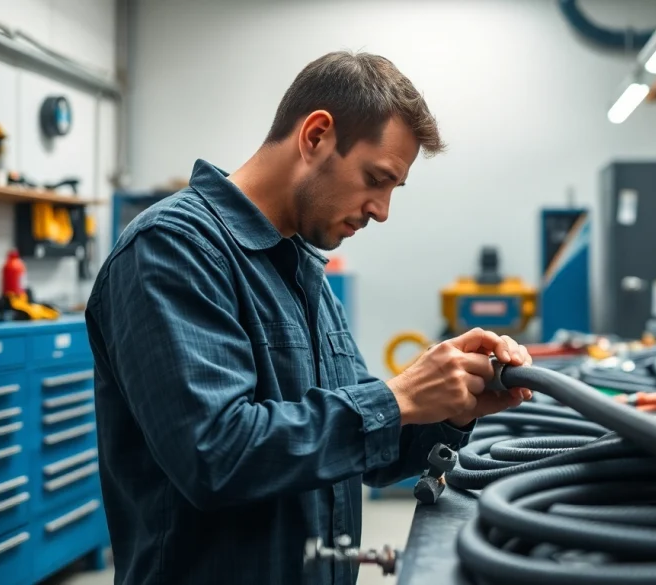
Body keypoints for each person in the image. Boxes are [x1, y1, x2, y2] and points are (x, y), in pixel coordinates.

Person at [85, 51, 533, 585]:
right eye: (376, 178)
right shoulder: (171, 250)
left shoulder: (303, 272)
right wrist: (396, 398)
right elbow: (215, 456)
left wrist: (451, 407)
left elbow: (369, 451)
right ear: (316, 135)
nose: (382, 210)